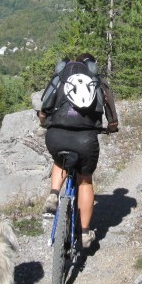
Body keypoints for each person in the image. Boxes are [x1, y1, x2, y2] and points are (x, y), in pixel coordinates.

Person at [38, 53, 118, 248]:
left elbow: (43, 109)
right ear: (91, 66)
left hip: (56, 136)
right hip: (85, 140)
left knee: (59, 161)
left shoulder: (60, 79)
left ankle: (54, 194)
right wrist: (111, 127)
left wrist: (45, 122)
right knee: (85, 181)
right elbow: (112, 116)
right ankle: (84, 233)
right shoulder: (97, 82)